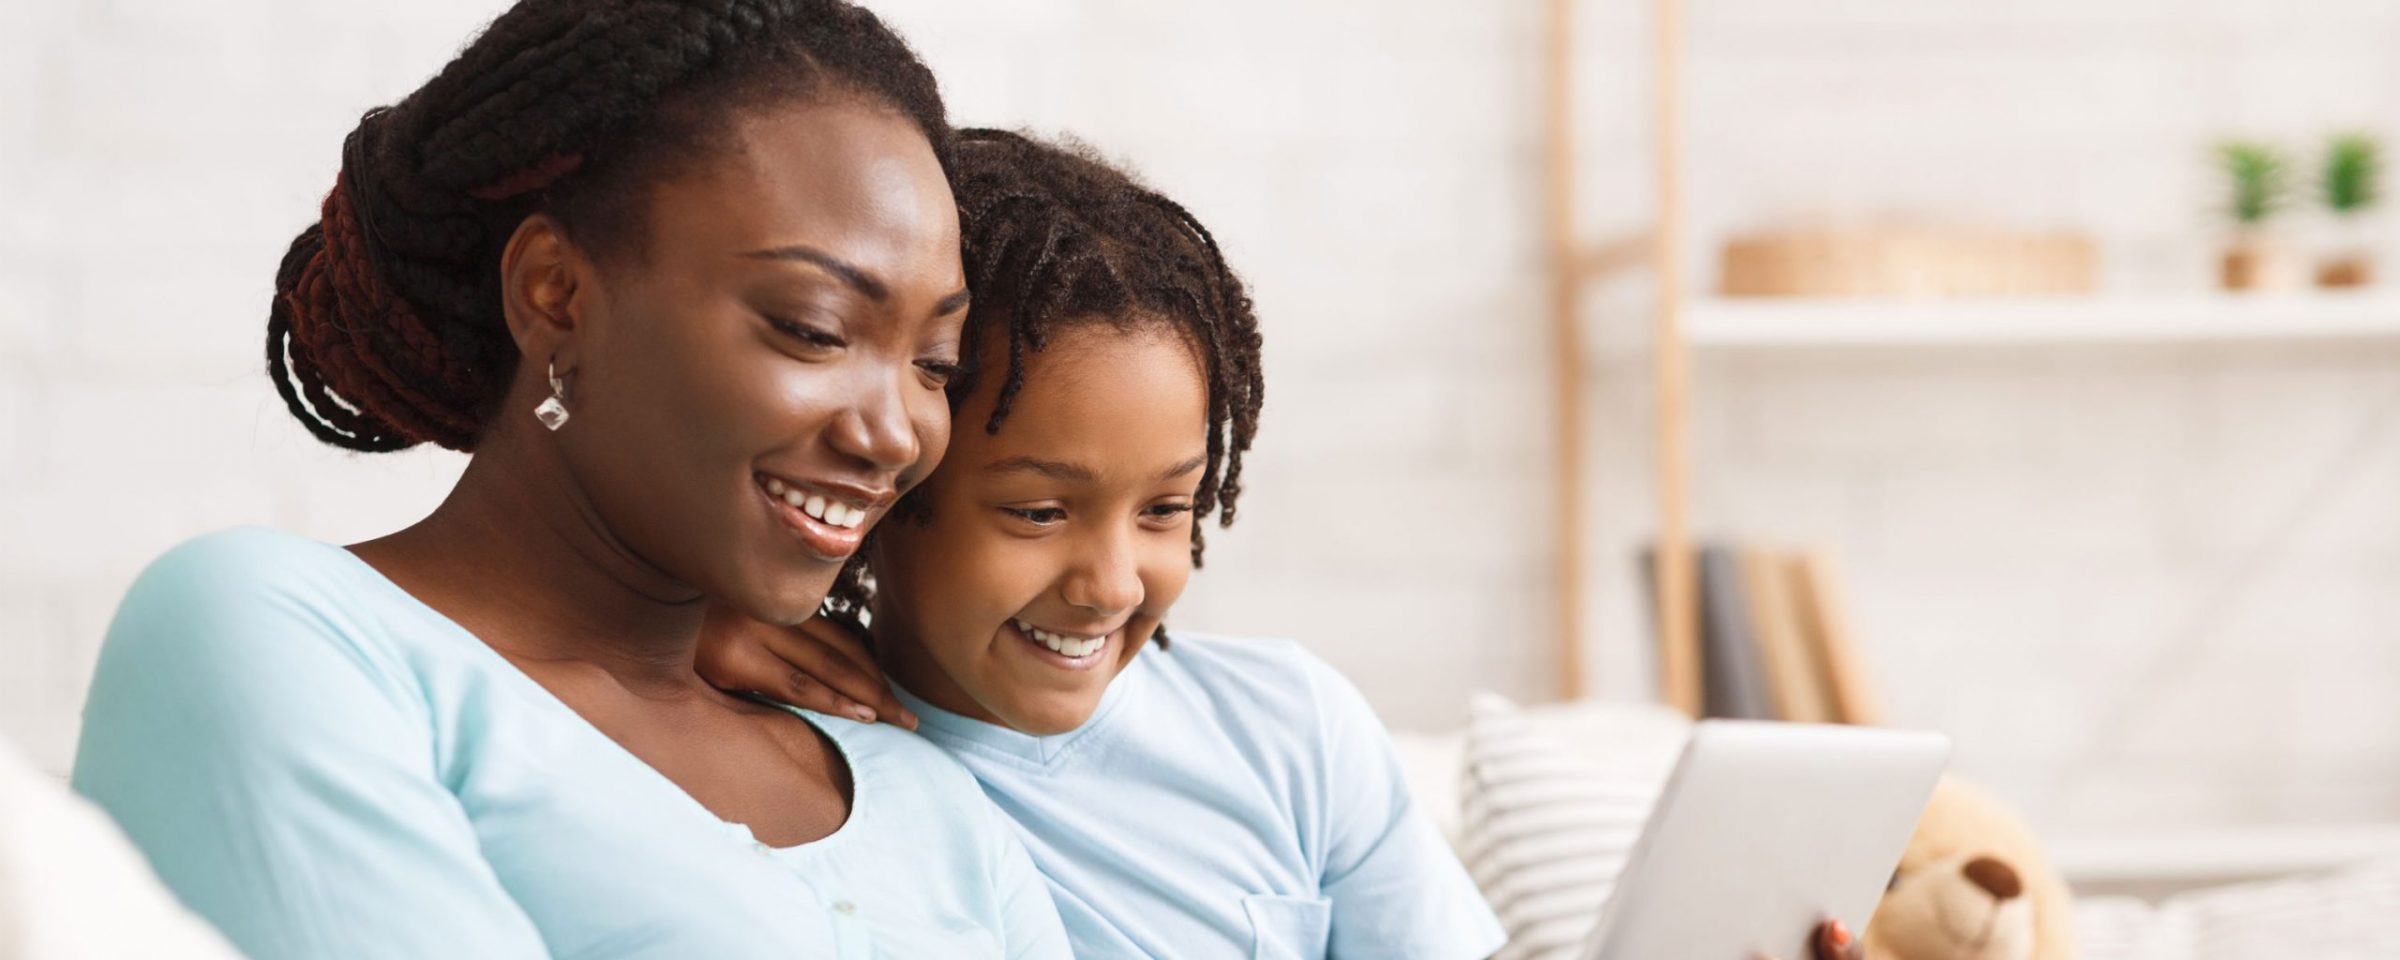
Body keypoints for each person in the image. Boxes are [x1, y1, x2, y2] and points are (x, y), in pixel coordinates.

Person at [70, 3, 1065, 957]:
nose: (893, 431)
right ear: (554, 292)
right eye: (812, 329)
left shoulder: (923, 792)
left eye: (935, 364)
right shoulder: (280, 635)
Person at [700, 129, 1507, 959]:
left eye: (1164, 507)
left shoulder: (1293, 731)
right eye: (1041, 513)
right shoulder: (800, 755)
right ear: (895, 488)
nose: (1113, 586)